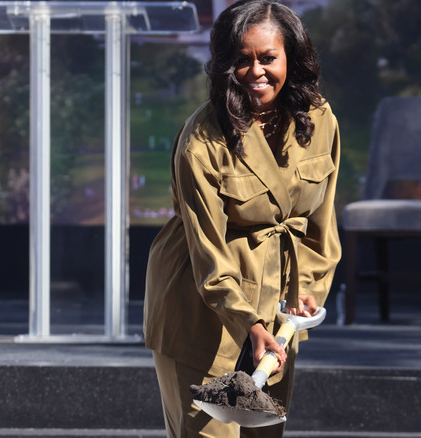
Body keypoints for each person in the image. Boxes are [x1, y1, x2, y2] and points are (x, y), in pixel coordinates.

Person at [143, 0, 341, 437]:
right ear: (223, 65)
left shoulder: (321, 120)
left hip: (277, 313)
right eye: (242, 60)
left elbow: (320, 223)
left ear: (292, 56)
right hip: (201, 309)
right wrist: (248, 322)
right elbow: (207, 254)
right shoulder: (202, 141)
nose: (256, 72)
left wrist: (308, 288)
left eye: (268, 58)